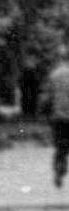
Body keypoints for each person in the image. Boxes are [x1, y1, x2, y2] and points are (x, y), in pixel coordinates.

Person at [44, 57, 69, 191]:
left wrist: (45, 114)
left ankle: (59, 170)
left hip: (58, 118)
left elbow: (47, 98)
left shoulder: (54, 75)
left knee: (61, 147)